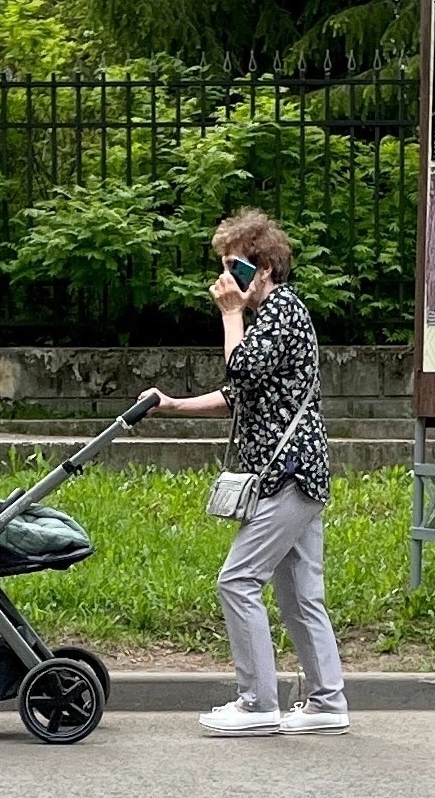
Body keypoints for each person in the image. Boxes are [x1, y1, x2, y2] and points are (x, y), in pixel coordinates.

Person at [138, 209, 347, 737]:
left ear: (265, 268)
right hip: (299, 473)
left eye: (236, 268)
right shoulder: (278, 315)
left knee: (236, 580)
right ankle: (327, 702)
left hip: (288, 474)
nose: (228, 280)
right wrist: (171, 404)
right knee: (301, 594)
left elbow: (240, 368)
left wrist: (231, 315)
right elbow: (239, 395)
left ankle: (257, 703)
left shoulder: (281, 313)